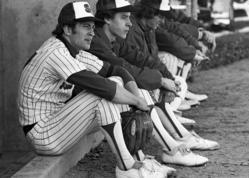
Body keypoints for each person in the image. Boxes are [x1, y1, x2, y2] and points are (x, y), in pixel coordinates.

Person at [17, 2, 170, 177]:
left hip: (62, 121)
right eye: (85, 27)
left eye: (92, 26)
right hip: (43, 133)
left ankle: (138, 160)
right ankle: (127, 167)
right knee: (102, 95)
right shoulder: (55, 52)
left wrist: (137, 99)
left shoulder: (76, 51)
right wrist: (136, 102)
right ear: (67, 29)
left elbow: (118, 71)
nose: (91, 32)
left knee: (118, 83)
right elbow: (103, 87)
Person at [90, 0, 219, 166]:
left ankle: (177, 141)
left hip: (98, 111)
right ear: (107, 19)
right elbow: (125, 69)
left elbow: (140, 59)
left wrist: (166, 79)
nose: (129, 22)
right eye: (124, 17)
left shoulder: (112, 38)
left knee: (144, 86)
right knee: (132, 86)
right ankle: (167, 149)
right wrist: (160, 80)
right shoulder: (97, 41)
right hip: (73, 120)